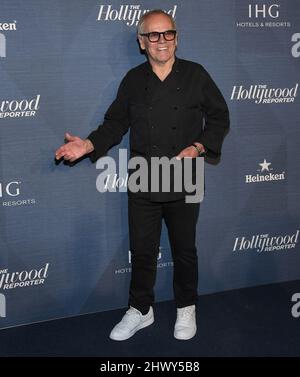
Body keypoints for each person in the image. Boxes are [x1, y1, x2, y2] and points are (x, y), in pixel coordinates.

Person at [55, 9, 229, 341]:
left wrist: (199, 146)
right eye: (153, 34)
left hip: (185, 171)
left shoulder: (197, 75)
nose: (161, 41)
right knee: (142, 249)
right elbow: (116, 124)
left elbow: (220, 117)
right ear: (141, 42)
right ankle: (141, 310)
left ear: (177, 38)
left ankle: (186, 307)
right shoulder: (133, 80)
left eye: (168, 33)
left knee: (184, 249)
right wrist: (89, 144)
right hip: (143, 173)